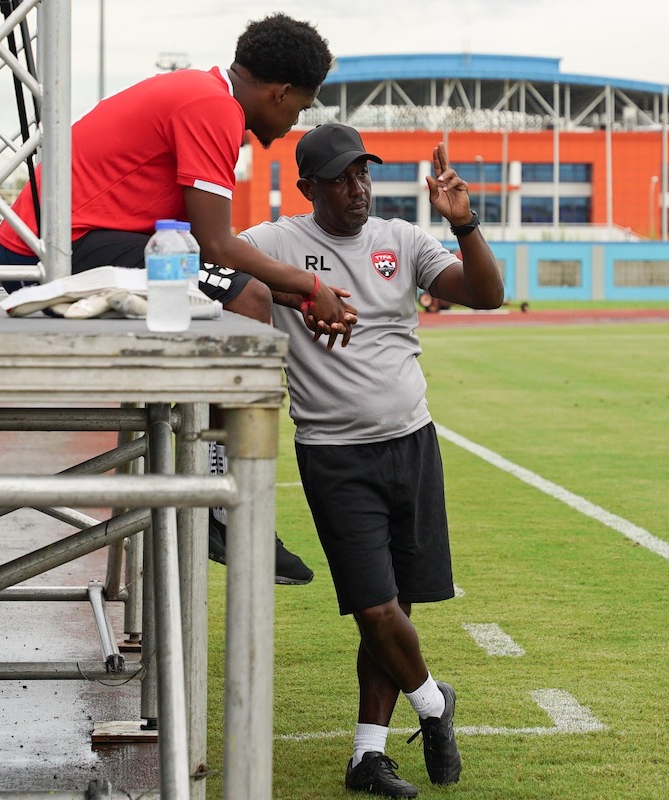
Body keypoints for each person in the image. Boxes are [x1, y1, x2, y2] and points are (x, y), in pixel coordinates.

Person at [0, 12, 349, 585]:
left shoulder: (202, 93)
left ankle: (206, 488)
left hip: (61, 242)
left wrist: (295, 291)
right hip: (49, 254)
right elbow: (218, 245)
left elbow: (198, 246)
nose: (295, 121)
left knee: (250, 295)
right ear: (281, 92)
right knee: (250, 303)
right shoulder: (213, 108)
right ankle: (219, 504)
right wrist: (308, 285)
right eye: (300, 108)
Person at [240, 123, 504, 797]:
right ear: (308, 188)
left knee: (396, 609)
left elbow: (487, 294)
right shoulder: (277, 242)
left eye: (363, 174)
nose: (357, 188)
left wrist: (465, 223)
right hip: (333, 453)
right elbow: (215, 267)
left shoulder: (402, 239)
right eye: (340, 177)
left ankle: (367, 756)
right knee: (376, 610)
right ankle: (435, 704)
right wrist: (294, 291)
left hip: (412, 444)